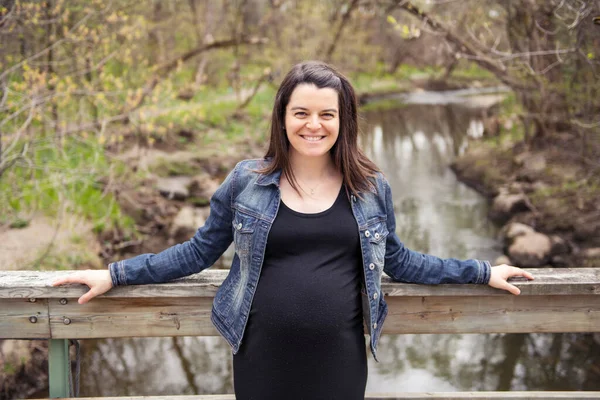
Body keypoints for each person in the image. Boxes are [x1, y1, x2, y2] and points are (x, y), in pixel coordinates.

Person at [53, 61, 534, 399]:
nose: (314, 124)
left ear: (343, 121)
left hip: (339, 359)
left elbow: (402, 261)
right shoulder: (248, 181)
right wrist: (114, 274)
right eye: (301, 112)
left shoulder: (369, 187)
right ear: (283, 117)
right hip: (261, 354)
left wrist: (481, 270)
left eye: (327, 114)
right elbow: (198, 252)